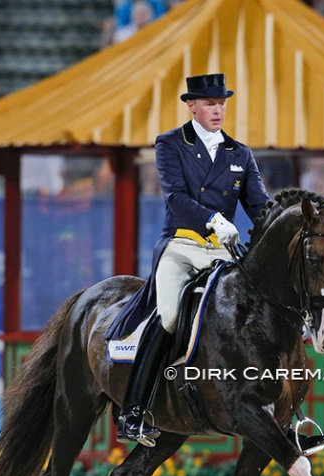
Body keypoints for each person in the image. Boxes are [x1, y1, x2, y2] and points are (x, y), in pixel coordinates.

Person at [110, 73, 271, 446]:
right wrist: (214, 220)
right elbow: (176, 197)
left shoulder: (240, 154)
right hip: (183, 245)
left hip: (222, 253)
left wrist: (286, 222)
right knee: (168, 316)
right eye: (211, 104)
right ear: (192, 106)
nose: (218, 110)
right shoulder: (170, 144)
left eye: (222, 104)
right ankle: (133, 410)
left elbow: (260, 205)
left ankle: (282, 411)